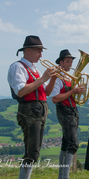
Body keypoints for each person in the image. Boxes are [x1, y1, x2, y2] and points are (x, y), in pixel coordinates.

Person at [7, 35, 57, 179]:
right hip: (29, 111)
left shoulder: (34, 69)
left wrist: (53, 78)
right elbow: (21, 90)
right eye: (38, 51)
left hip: (39, 111)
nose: (41, 55)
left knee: (34, 151)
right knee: (32, 153)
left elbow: (46, 92)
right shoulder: (17, 67)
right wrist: (43, 79)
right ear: (27, 50)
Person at [51, 49, 86, 179]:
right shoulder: (58, 78)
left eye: (71, 62)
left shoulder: (68, 77)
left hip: (72, 110)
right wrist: (73, 91)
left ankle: (62, 176)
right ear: (61, 62)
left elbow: (71, 95)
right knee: (73, 144)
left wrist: (78, 91)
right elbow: (55, 98)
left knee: (66, 143)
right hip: (64, 110)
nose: (71, 64)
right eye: (68, 61)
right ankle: (65, 176)